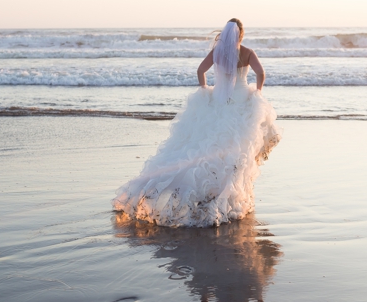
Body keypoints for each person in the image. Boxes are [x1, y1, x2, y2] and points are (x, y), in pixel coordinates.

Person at [114, 18, 281, 227]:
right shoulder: (247, 52)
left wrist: (205, 90)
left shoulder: (217, 52)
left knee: (203, 146)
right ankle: (224, 194)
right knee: (236, 151)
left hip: (218, 102)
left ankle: (198, 193)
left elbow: (200, 71)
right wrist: (257, 92)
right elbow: (261, 73)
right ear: (241, 34)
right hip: (240, 103)